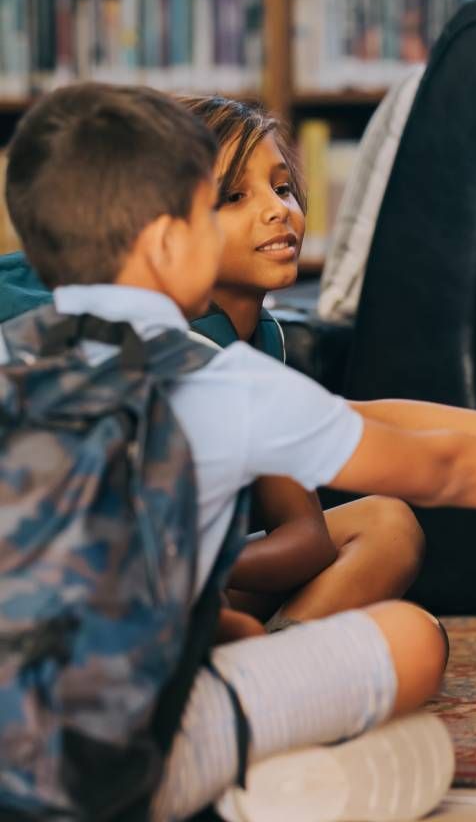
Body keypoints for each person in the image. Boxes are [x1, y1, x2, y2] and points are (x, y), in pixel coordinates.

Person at [0, 82, 476, 822]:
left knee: (220, 621)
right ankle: (252, 789)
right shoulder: (209, 376)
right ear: (170, 239)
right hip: (111, 776)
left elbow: (371, 420)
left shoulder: (17, 351)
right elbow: (441, 466)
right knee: (411, 641)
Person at [0, 96, 428, 636]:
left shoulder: (261, 339)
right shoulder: (141, 339)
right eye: (233, 196)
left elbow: (306, 535)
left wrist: (199, 563)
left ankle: (268, 665)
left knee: (389, 524)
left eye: (282, 187)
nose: (277, 209)